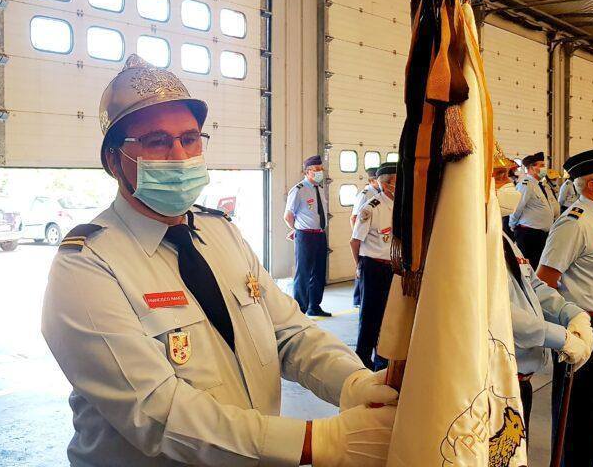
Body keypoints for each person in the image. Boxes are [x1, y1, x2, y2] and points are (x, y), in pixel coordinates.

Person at [41, 55, 398, 467]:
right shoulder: (86, 266)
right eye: (157, 141)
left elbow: (289, 333)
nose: (180, 155)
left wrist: (352, 382)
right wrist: (316, 441)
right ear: (113, 160)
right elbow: (156, 411)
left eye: (190, 138)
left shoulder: (221, 233)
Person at [536, 146, 593, 464]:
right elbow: (544, 280)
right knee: (576, 410)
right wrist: (565, 328)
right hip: (582, 328)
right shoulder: (574, 223)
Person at [493, 146, 592, 437]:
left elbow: (532, 284)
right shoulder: (465, 244)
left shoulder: (500, 237)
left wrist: (570, 313)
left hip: (520, 377)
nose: (508, 183)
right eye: (498, 176)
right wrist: (560, 337)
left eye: (507, 175)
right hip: (494, 382)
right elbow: (496, 312)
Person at [350, 162, 397, 370]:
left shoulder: (399, 205)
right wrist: (359, 267)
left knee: (388, 315)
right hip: (373, 267)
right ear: (386, 185)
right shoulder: (371, 208)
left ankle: (382, 359)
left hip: (392, 267)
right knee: (370, 315)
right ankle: (362, 358)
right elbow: (355, 241)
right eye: (397, 181)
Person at [285, 155, 331, 317]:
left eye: (321, 169)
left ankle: (314, 306)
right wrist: (296, 229)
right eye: (317, 170)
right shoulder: (298, 190)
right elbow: (288, 216)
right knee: (303, 273)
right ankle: (300, 310)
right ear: (307, 171)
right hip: (305, 236)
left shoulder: (319, 188)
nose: (320, 172)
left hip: (320, 235)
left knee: (319, 272)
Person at [510, 152, 559, 269]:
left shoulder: (540, 185)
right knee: (530, 267)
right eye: (541, 165)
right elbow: (517, 207)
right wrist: (512, 225)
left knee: (539, 266)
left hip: (541, 235)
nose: (544, 168)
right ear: (531, 168)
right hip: (529, 235)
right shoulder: (526, 184)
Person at [350, 167, 380, 309]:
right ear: (372, 180)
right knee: (361, 267)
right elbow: (354, 217)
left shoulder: (377, 194)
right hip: (363, 235)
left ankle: (359, 297)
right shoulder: (365, 194)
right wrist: (358, 235)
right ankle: (358, 299)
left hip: (371, 235)